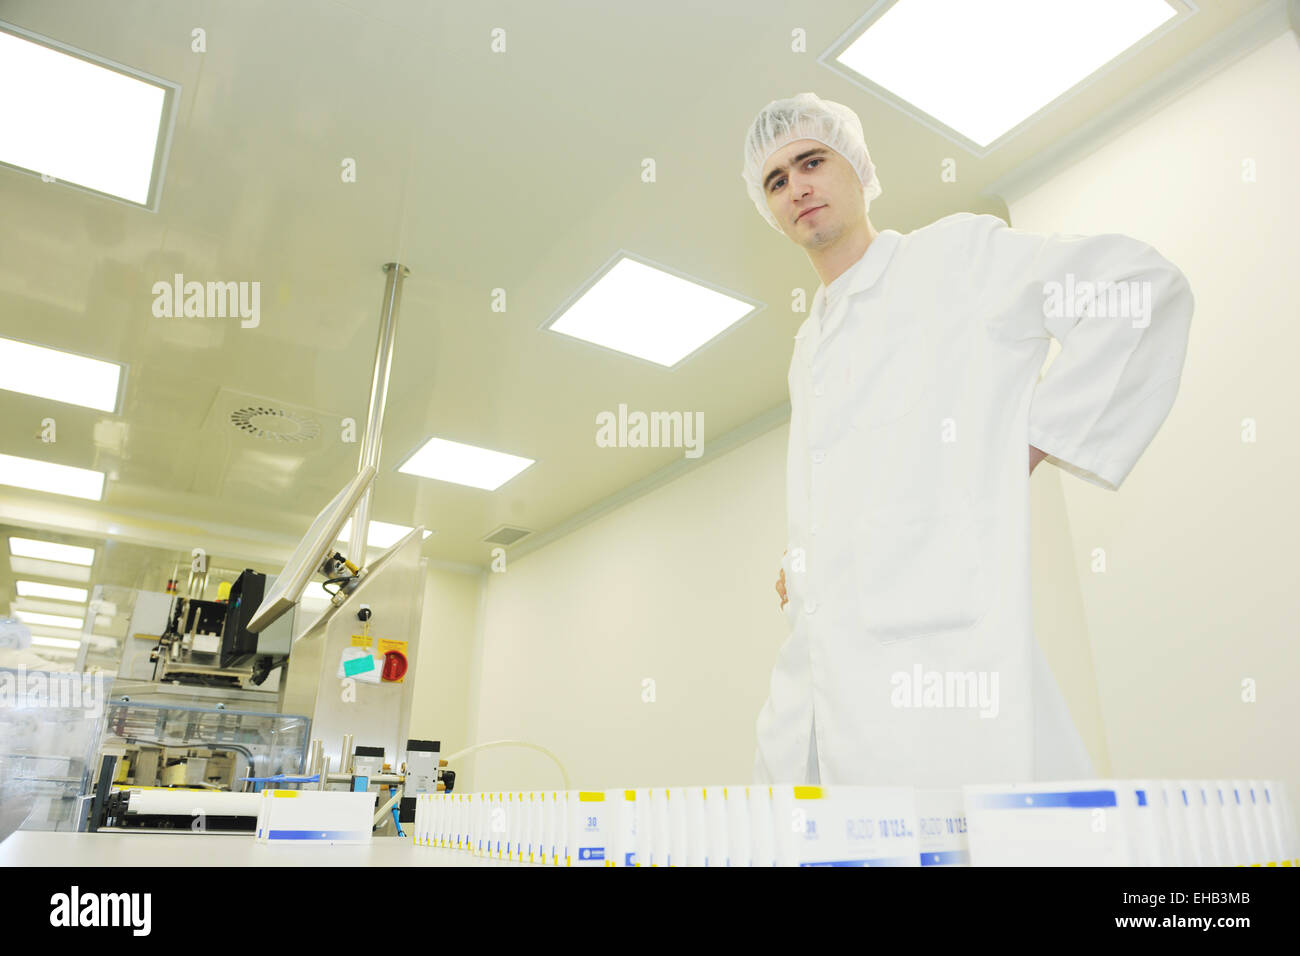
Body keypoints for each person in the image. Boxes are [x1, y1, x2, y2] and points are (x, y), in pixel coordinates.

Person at [741, 92, 1194, 787]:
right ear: (768, 210)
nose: (796, 186)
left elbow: (1137, 288)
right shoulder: (809, 344)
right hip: (827, 676)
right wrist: (807, 553)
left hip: (943, 664)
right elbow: (864, 475)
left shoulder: (953, 258)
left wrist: (1025, 448)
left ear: (857, 167)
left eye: (811, 161)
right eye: (775, 180)